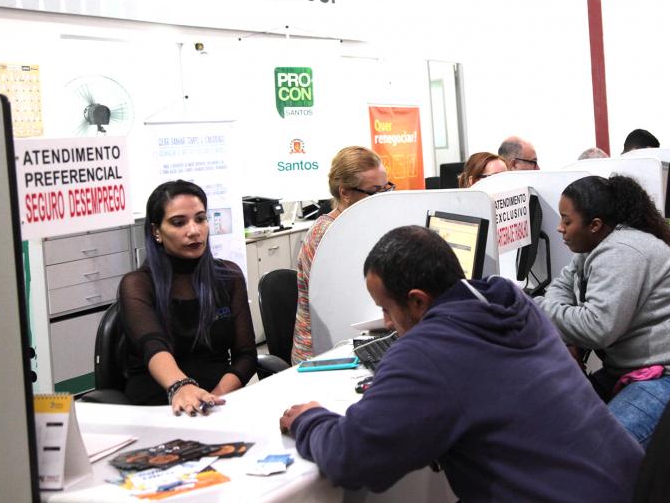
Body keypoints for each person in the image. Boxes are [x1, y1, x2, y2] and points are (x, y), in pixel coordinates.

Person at [280, 226, 643, 501]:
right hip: (626, 486)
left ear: (419, 301)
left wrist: (309, 419)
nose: (387, 324)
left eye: (386, 309)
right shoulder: (510, 303)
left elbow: (353, 458)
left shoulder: (426, 354)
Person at [534, 175, 670, 448]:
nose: (560, 228)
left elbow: (597, 328)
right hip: (665, 372)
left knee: (595, 450)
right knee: (549, 422)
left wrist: (537, 308)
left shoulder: (621, 251)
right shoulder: (597, 246)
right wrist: (560, 319)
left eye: (567, 220)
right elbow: (562, 284)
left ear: (595, 225)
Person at [118, 180, 256, 414]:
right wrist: (182, 387)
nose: (194, 230)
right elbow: (154, 346)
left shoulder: (229, 276)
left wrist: (212, 398)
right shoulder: (137, 284)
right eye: (179, 222)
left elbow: (246, 356)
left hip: (217, 403)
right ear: (156, 232)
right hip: (159, 407)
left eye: (200, 219)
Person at [292, 146, 392, 363]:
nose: (383, 199)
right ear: (345, 192)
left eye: (387, 189)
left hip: (350, 337)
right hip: (319, 351)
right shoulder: (326, 234)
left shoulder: (359, 226)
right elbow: (342, 305)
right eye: (375, 192)